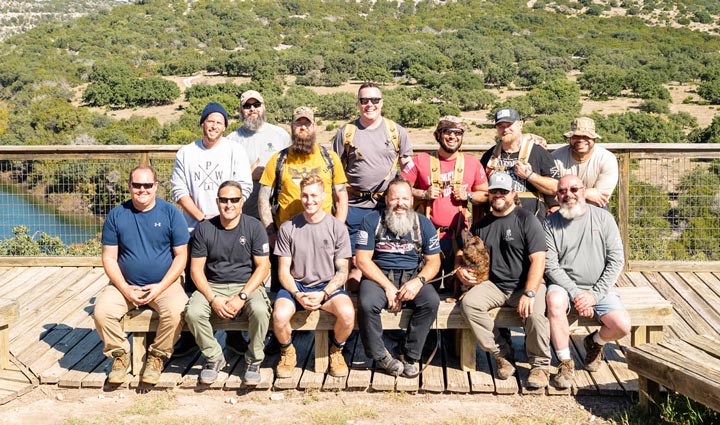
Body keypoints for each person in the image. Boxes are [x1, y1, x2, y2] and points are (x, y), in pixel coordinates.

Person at [170, 101, 253, 356]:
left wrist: (222, 217)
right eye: (210, 120)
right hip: (195, 227)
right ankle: (191, 334)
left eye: (219, 122)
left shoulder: (234, 151)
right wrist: (201, 217)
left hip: (228, 226)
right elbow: (178, 189)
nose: (214, 125)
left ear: (224, 126)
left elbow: (244, 187)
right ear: (202, 123)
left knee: (229, 276)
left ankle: (234, 333)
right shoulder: (186, 152)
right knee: (195, 282)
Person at [93, 165, 189, 385]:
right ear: (129, 186)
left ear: (156, 186)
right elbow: (109, 258)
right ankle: (119, 354)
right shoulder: (117, 215)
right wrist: (125, 288)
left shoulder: (171, 213)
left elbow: (181, 256)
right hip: (125, 285)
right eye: (137, 185)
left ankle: (158, 356)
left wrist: (161, 286)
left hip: (165, 284)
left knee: (178, 310)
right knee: (102, 312)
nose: (142, 190)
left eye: (147, 185)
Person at [455, 171, 552, 389]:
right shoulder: (482, 225)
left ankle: (539, 365)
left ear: (513, 193)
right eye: (494, 191)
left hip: (525, 283)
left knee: (535, 315)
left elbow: (538, 260)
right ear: (488, 194)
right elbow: (465, 252)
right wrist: (459, 268)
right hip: (495, 285)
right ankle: (501, 352)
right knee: (470, 304)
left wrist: (530, 292)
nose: (498, 195)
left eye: (503, 191)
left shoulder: (527, 220)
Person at [544, 175, 629, 389]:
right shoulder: (549, 224)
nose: (568, 194)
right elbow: (551, 266)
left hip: (598, 287)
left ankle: (595, 342)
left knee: (622, 326)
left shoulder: (603, 218)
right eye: (562, 191)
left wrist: (593, 295)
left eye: (574, 189)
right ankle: (565, 361)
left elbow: (616, 259)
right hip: (565, 286)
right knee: (553, 300)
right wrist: (576, 294)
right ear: (557, 195)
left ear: (584, 191)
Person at [183, 181, 271, 385]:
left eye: (234, 200)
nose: (229, 204)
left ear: (242, 202)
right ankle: (213, 356)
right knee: (193, 313)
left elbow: (263, 267)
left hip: (246, 285)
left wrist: (242, 297)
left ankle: (254, 360)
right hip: (213, 285)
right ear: (217, 202)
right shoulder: (205, 229)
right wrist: (212, 298)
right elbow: (196, 270)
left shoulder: (254, 227)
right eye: (224, 200)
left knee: (259, 310)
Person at [355, 177, 441, 378]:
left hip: (412, 275)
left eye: (404, 198)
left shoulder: (423, 224)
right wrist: (387, 287)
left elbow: (434, 261)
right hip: (379, 275)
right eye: (395, 198)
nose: (400, 203)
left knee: (431, 301)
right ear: (386, 200)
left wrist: (418, 282)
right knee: (367, 304)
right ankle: (381, 356)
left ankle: (409, 354)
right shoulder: (371, 221)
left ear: (411, 200)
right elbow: (362, 260)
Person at [273, 174, 355, 378]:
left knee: (347, 313)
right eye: (305, 196)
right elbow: (283, 270)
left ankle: (337, 350)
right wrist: (296, 293)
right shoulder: (288, 228)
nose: (309, 201)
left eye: (314, 195)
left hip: (328, 286)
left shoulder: (337, 228)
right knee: (279, 316)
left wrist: (324, 293)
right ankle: (287, 351)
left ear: (324, 196)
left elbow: (343, 271)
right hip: (297, 286)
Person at [258, 106, 348, 290]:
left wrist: (337, 230)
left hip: (324, 237)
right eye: (298, 124)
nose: (303, 128)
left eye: (307, 124)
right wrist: (271, 233)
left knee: (328, 289)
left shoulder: (329, 158)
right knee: (282, 289)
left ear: (314, 127)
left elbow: (341, 197)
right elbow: (263, 198)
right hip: (286, 240)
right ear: (291, 127)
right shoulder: (278, 159)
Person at [333, 82, 413, 286]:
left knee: (381, 254)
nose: (370, 104)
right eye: (364, 100)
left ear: (382, 102)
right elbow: (334, 169)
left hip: (385, 206)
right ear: (358, 103)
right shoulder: (346, 132)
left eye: (375, 100)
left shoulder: (396, 131)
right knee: (352, 259)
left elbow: (408, 164)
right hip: (353, 205)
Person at [402, 115, 488, 289]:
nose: (452, 137)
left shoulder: (472, 164)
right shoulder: (420, 161)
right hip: (425, 237)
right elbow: (398, 189)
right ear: (437, 135)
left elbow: (485, 195)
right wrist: (422, 193)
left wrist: (469, 196)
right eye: (448, 131)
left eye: (458, 133)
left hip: (458, 239)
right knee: (426, 289)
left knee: (454, 288)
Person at [481, 107, 559, 217]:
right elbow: (481, 190)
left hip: (531, 222)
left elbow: (555, 187)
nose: (505, 129)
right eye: (501, 126)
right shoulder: (489, 156)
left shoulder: (537, 152)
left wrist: (529, 176)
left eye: (509, 125)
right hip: (497, 222)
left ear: (520, 125)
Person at [226, 90, 291, 219]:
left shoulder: (281, 135)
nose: (252, 109)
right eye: (247, 106)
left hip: (277, 212)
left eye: (256, 104)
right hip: (244, 214)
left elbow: (292, 168)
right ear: (241, 110)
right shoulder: (231, 140)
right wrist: (248, 175)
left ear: (264, 107)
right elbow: (224, 178)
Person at [552, 117, 618, 208]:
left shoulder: (607, 159)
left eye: (586, 137)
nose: (581, 140)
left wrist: (568, 193)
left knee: (603, 207)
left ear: (594, 139)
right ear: (570, 138)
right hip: (563, 206)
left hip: (593, 207)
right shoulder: (556, 157)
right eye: (576, 137)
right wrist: (586, 193)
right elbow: (551, 190)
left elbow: (601, 196)